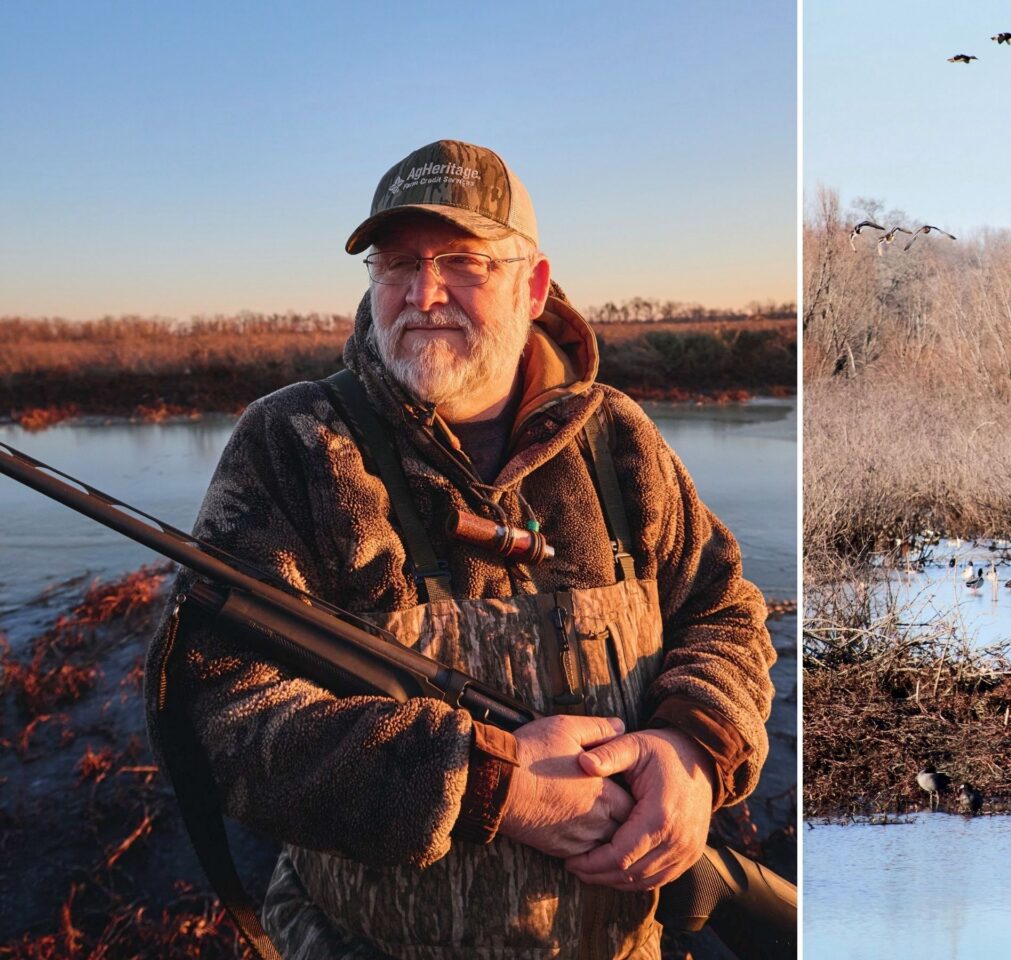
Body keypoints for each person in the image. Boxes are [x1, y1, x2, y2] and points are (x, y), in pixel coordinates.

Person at [144, 139, 776, 958]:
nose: (424, 293)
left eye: (464, 262)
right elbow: (218, 710)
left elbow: (724, 611)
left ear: (534, 283)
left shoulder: (617, 439)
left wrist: (694, 747)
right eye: (395, 263)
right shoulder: (295, 444)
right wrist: (488, 783)